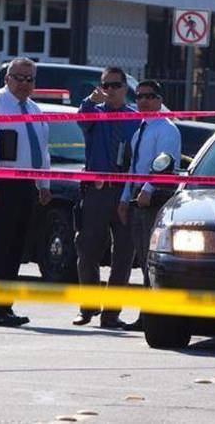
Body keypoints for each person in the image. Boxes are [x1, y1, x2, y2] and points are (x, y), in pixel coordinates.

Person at [0, 57, 52, 327]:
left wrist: (43, 184)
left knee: (15, 247)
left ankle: (5, 307)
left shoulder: (34, 109)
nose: (24, 84)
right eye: (19, 78)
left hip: (25, 184)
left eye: (29, 79)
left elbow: (42, 150)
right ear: (7, 79)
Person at [73, 67, 140, 329]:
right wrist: (90, 101)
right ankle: (88, 307)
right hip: (97, 191)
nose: (110, 90)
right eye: (105, 85)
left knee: (123, 253)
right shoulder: (93, 112)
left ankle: (111, 313)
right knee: (87, 249)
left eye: (115, 85)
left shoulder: (135, 119)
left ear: (125, 88)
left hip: (124, 192)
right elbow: (82, 120)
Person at [117, 80, 181, 332]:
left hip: (153, 199)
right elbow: (133, 168)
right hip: (136, 198)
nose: (143, 101)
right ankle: (147, 314)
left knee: (151, 259)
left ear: (159, 99)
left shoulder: (166, 129)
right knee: (143, 258)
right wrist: (124, 198)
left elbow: (165, 165)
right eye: (139, 96)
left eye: (149, 96)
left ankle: (151, 316)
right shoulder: (140, 129)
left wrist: (148, 190)